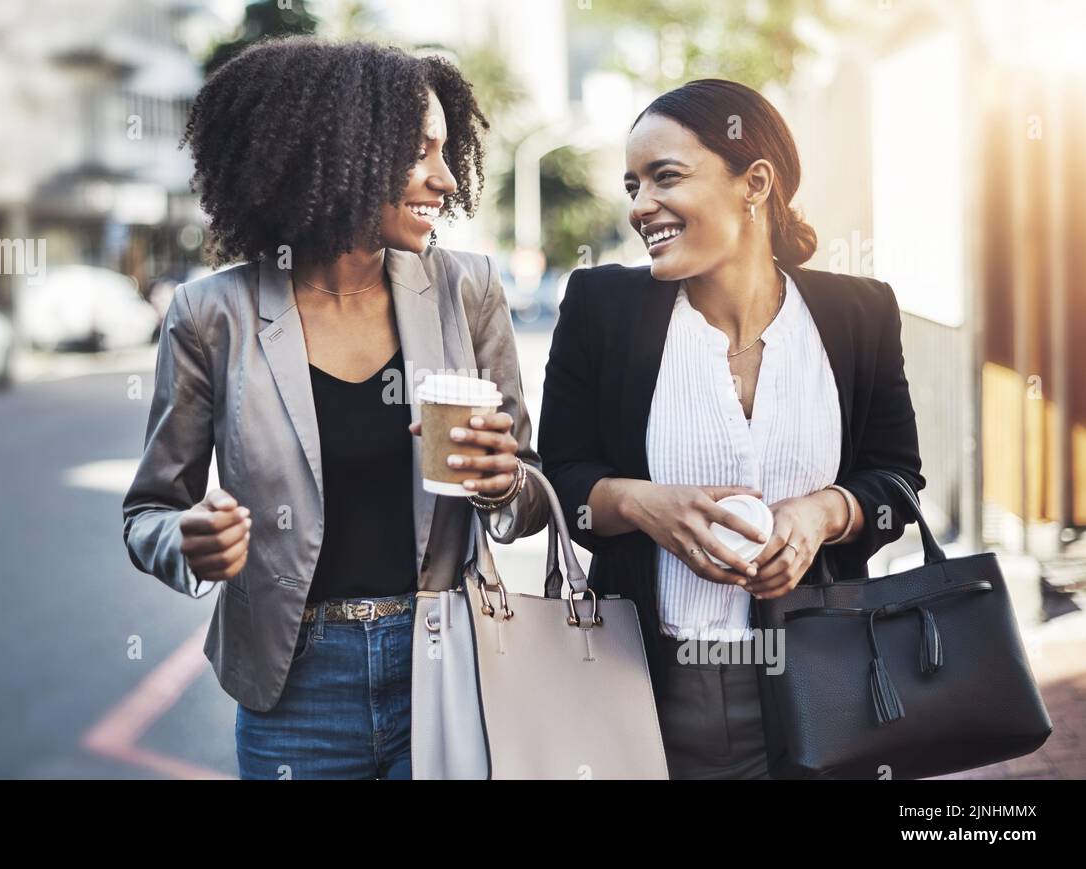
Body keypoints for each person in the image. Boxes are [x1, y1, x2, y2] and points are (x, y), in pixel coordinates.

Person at [122, 38, 549, 780]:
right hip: (295, 693)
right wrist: (188, 542)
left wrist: (503, 481)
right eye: (421, 153)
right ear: (339, 152)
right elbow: (149, 512)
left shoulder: (467, 291)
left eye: (448, 153)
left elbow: (531, 497)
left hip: (444, 664)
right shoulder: (210, 316)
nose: (446, 180)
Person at [538, 78, 926, 779]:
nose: (640, 206)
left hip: (822, 682)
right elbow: (557, 486)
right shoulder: (602, 308)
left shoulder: (857, 314)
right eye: (632, 185)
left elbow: (897, 481)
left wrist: (822, 513)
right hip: (649, 688)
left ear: (754, 182)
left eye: (665, 177)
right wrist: (638, 504)